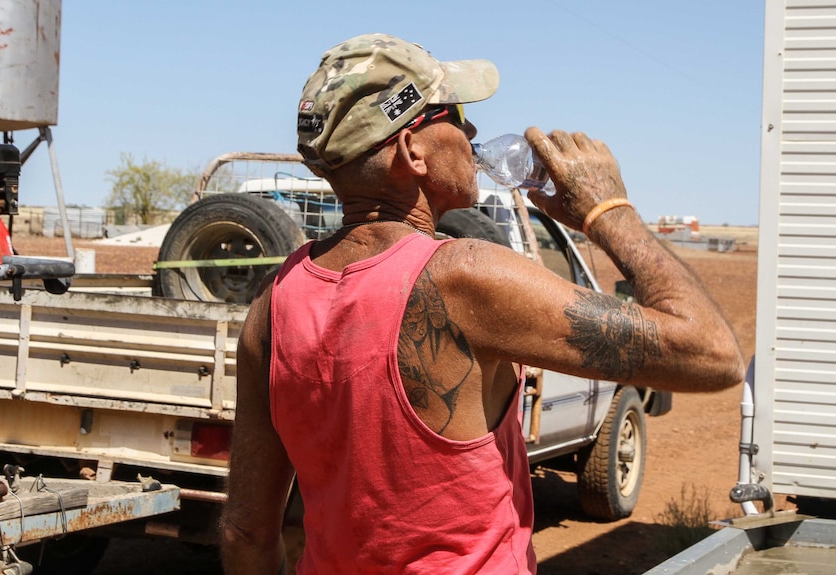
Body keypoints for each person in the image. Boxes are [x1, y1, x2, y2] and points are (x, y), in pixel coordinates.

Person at [220, 33, 745, 574]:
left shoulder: (273, 304)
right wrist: (607, 209)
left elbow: (245, 532)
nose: (471, 131)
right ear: (411, 151)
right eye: (455, 112)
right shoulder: (463, 276)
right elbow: (710, 353)